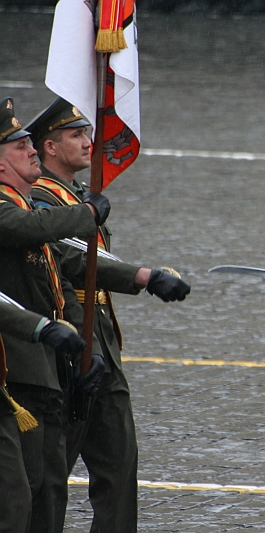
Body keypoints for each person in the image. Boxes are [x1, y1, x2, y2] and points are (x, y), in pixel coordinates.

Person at [25, 97, 191, 533]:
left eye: (86, 133)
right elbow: (72, 261)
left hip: (103, 337)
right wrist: (144, 276)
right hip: (71, 332)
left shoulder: (79, 196)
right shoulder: (40, 200)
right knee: (51, 471)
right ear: (49, 147)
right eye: (76, 135)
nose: (88, 142)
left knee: (119, 469)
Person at [0, 96, 110, 533]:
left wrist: (142, 277)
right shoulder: (10, 210)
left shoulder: (25, 205)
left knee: (47, 487)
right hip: (18, 368)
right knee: (18, 493)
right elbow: (29, 230)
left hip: (47, 366)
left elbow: (59, 279)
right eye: (19, 145)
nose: (32, 149)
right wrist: (83, 214)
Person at [0, 299, 86, 533]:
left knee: (42, 491)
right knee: (14, 498)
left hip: (36, 370)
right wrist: (40, 326)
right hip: (21, 368)